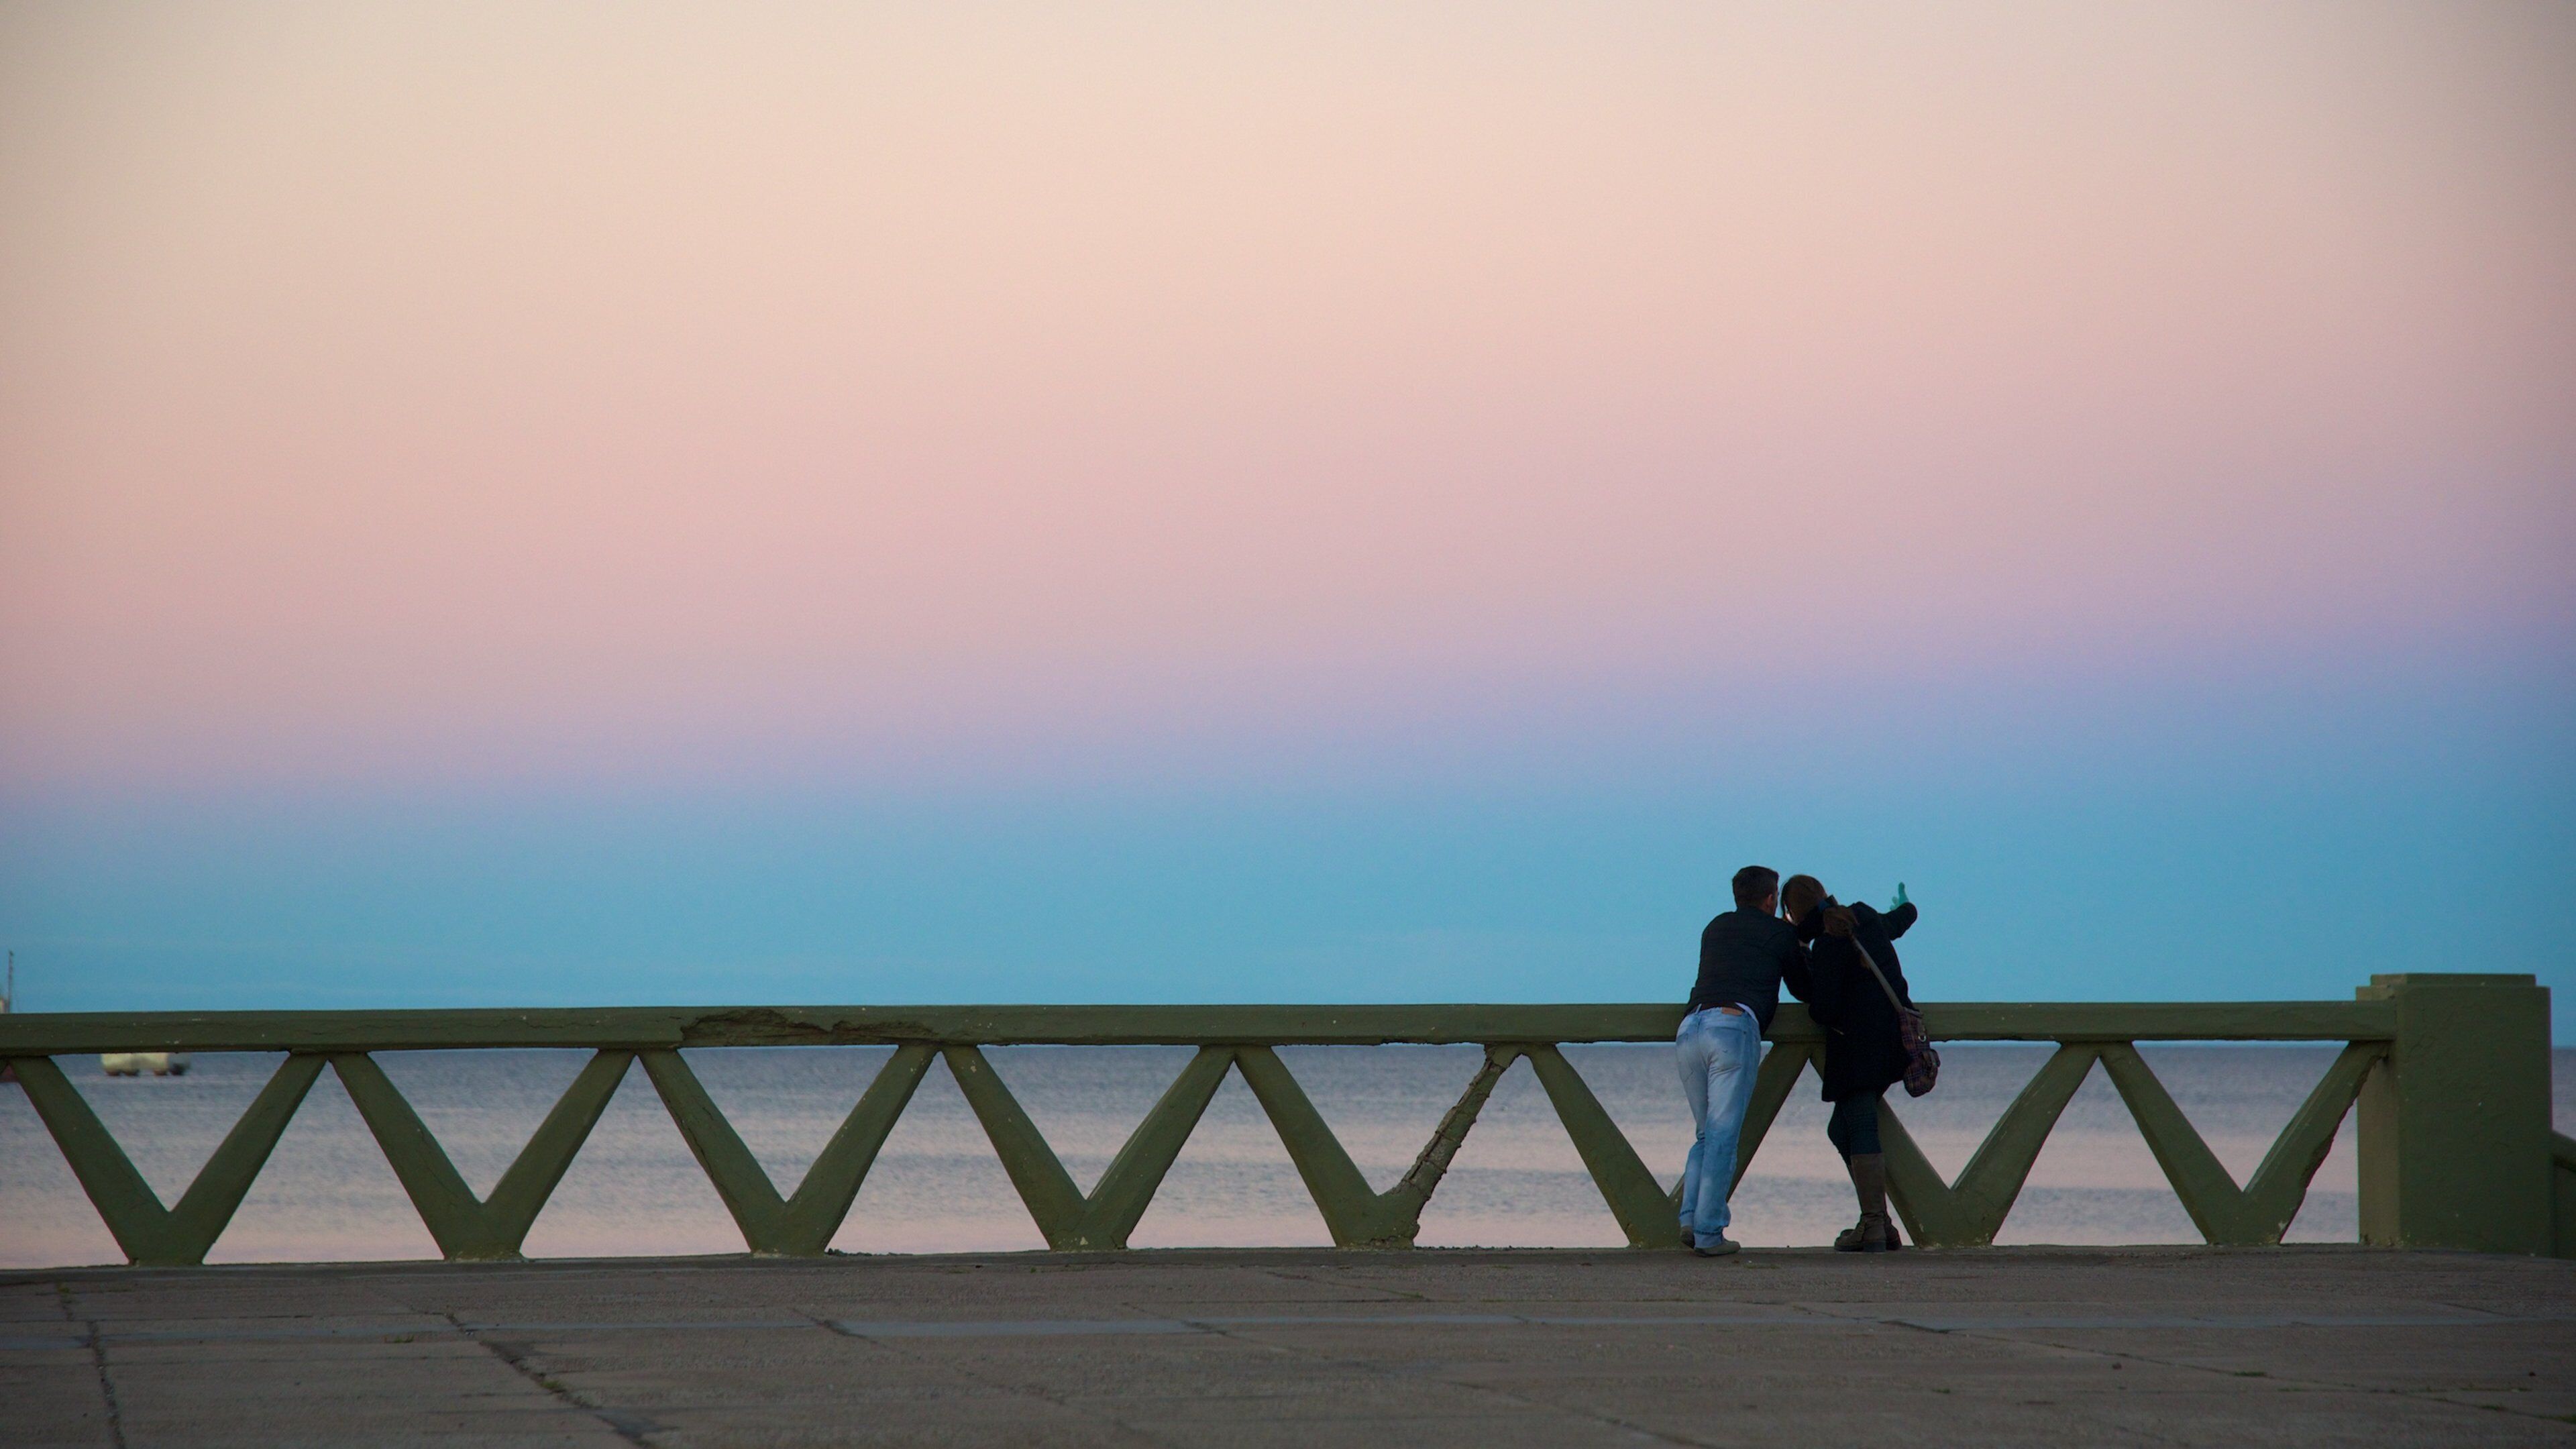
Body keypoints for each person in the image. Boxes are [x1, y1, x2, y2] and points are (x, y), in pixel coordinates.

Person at [1676, 864, 1812, 1256]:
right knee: (1722, 1136)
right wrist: (1799, 942)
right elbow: (1805, 989)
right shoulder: (1780, 932)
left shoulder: (1715, 927)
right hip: (1732, 1028)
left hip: (1690, 1027)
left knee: (1705, 1135)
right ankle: (1709, 1233)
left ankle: (1690, 1219)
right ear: (1771, 899)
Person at [1782, 874, 1919, 1253]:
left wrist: (1799, 952)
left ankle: (1874, 1225)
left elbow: (1823, 1009)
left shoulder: (1828, 944)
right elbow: (1898, 923)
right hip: (1893, 1040)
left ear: (1794, 913)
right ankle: (1880, 1223)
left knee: (1858, 1126)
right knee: (1841, 1131)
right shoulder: (1865, 917)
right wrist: (1906, 906)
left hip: (1858, 1050)